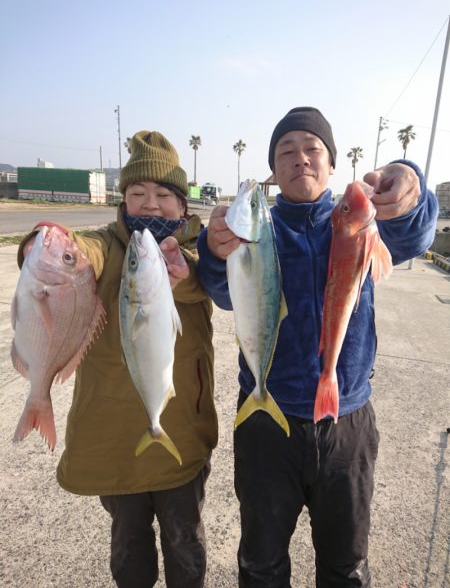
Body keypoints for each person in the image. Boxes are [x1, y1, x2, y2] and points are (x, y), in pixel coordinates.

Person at [196, 107, 439, 587]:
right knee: (261, 564)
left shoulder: (357, 218)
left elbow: (415, 232)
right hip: (267, 423)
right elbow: (223, 291)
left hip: (346, 423)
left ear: (331, 165)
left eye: (313, 149)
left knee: (346, 567)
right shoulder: (258, 227)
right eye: (287, 151)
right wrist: (214, 248)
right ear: (273, 170)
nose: (300, 159)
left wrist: (409, 185)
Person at [18, 131, 218, 588]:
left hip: (181, 433)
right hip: (113, 440)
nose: (150, 204)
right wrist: (44, 243)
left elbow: (211, 282)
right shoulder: (110, 246)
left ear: (183, 205)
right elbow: (83, 251)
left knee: (186, 543)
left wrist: (184, 275)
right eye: (137, 193)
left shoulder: (200, 250)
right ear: (122, 200)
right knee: (128, 546)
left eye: (163, 195)